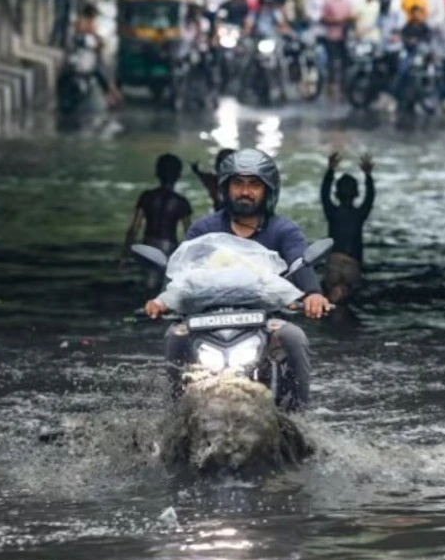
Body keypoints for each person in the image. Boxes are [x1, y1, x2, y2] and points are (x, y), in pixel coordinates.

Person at [145, 149, 331, 412]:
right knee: (175, 336)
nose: (245, 191)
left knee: (295, 336)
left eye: (254, 184)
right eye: (238, 184)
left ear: (268, 190)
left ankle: (298, 416)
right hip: (205, 322)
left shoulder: (283, 230)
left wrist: (313, 293)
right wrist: (162, 300)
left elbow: (299, 262)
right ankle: (177, 414)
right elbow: (183, 272)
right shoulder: (204, 229)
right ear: (226, 188)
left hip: (266, 322)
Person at [121, 154, 193, 290]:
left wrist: (124, 255)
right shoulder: (181, 202)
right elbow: (190, 235)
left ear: (157, 173)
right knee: (165, 288)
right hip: (169, 247)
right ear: (178, 175)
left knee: (148, 287)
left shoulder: (147, 196)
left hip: (148, 245)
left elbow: (134, 229)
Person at [320, 152, 375, 303]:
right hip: (353, 263)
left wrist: (330, 170)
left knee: (331, 300)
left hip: (334, 261)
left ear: (337, 193)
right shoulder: (360, 214)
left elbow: (324, 193)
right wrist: (368, 175)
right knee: (348, 302)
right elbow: (370, 197)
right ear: (356, 193)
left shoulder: (332, 212)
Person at [72, 2, 122, 107]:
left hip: (92, 57)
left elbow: (94, 37)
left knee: (102, 77)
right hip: (86, 57)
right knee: (101, 76)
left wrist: (99, 41)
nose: (95, 18)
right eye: (94, 15)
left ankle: (113, 97)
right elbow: (85, 35)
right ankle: (113, 96)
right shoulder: (83, 23)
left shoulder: (86, 23)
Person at [322, 0, 354, 90]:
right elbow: (324, 17)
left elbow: (350, 16)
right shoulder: (328, 1)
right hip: (332, 35)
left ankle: (343, 84)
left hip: (344, 35)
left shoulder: (345, 1)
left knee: (344, 61)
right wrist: (334, 20)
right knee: (332, 61)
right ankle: (331, 84)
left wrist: (346, 19)